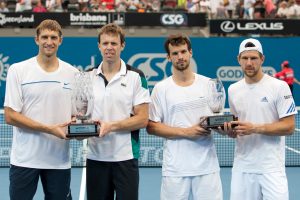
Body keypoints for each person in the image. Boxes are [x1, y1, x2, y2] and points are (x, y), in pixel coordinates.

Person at [4, 19, 77, 200]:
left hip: (58, 161)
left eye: (53, 37)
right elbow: (10, 116)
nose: (49, 42)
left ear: (60, 40)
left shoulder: (73, 73)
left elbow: (76, 116)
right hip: (24, 160)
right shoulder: (18, 70)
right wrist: (50, 129)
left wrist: (80, 129)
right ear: (36, 39)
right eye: (44, 37)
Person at [147, 33, 223, 200]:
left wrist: (224, 129)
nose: (180, 57)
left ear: (190, 52)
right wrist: (187, 132)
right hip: (175, 170)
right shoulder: (161, 89)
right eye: (175, 53)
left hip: (207, 169)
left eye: (183, 51)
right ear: (168, 57)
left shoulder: (208, 84)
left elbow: (217, 120)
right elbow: (151, 126)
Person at [223, 38, 296, 200]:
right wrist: (229, 131)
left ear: (262, 59)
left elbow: (289, 127)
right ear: (238, 60)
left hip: (272, 169)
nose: (249, 62)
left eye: (254, 58)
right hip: (242, 169)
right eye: (245, 58)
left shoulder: (279, 87)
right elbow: (237, 126)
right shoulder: (233, 90)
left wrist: (255, 128)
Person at [86, 23, 151, 200]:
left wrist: (111, 126)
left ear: (122, 45)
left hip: (126, 158)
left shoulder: (137, 76)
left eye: (114, 43)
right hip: (95, 157)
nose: (109, 48)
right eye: (105, 43)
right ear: (99, 46)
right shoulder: (87, 77)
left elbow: (143, 119)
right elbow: (81, 115)